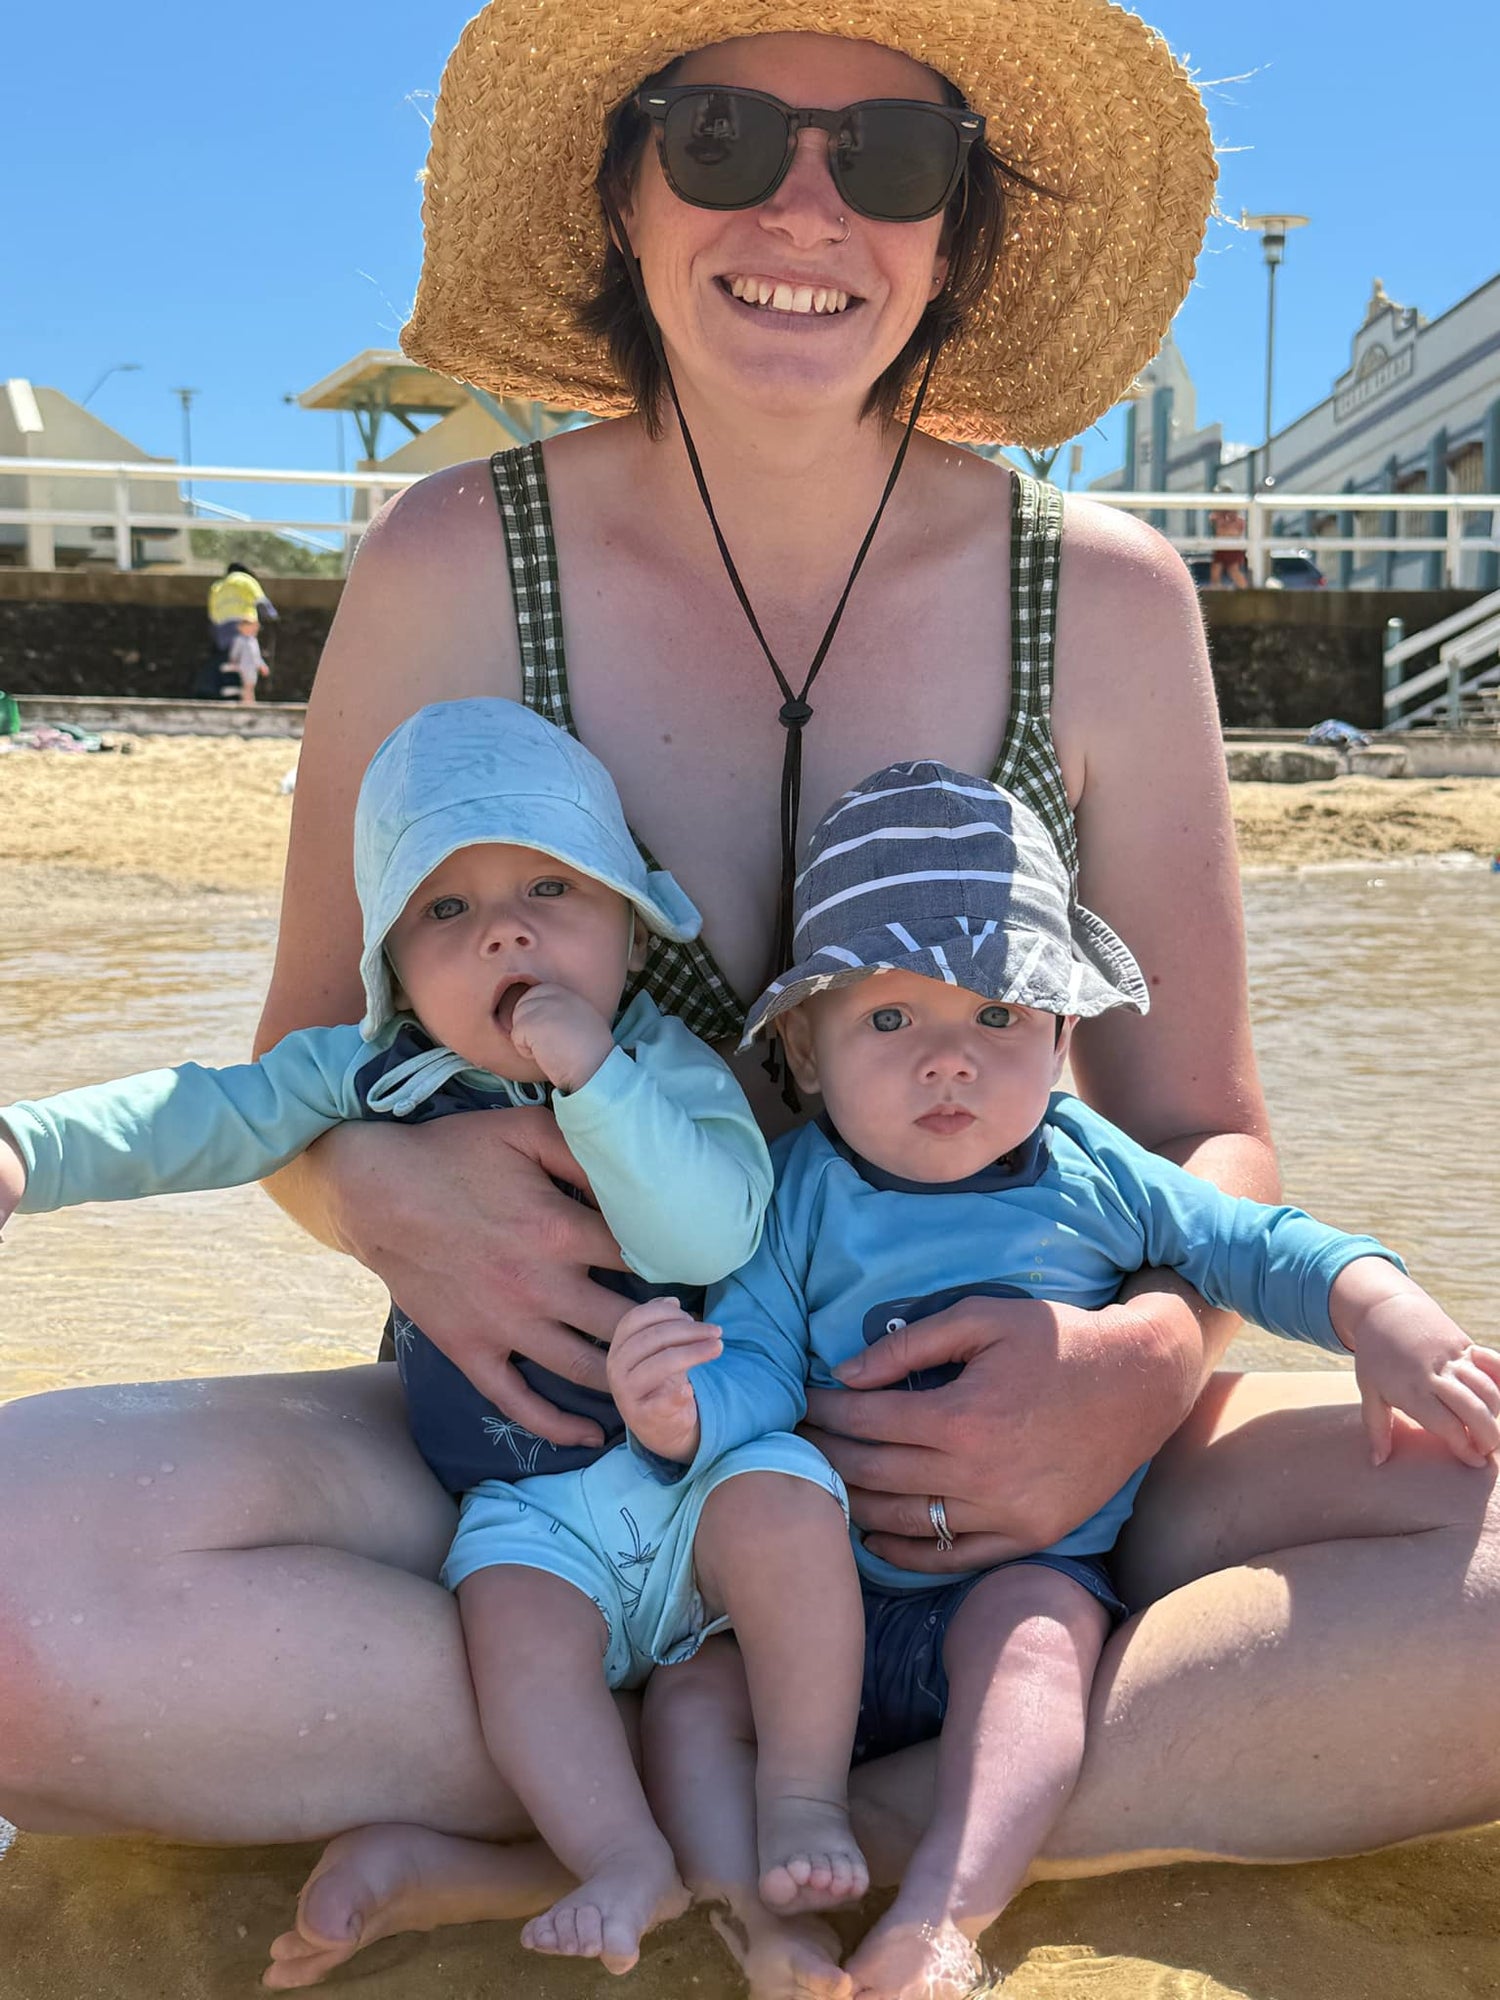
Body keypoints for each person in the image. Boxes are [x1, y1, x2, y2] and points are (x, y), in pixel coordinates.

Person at [3, 3, 1498, 1995]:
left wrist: (1137, 1361)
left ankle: (818, 1821)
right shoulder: (457, 561)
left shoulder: (1107, 595)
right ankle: (832, 1791)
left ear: (958, 227)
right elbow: (306, 1067)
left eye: (891, 155)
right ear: (619, 190)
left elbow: (1201, 1122)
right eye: (722, 136)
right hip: (554, 1468)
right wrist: (386, 1198)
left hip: (1013, 1478)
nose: (806, 205)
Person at [0, 694, 870, 1975]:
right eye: (445, 909)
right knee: (514, 1643)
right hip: (527, 1512)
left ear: (631, 931)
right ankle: (618, 1853)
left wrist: (596, 1079)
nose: (503, 929)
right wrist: (28, 1148)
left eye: (549, 889)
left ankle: (802, 1798)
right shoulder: (357, 1075)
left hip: (705, 1463)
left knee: (792, 1511)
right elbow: (199, 1114)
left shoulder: (666, 1065)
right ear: (392, 968)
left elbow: (706, 1229)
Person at [637, 761, 1500, 1999]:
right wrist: (684, 1410)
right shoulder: (800, 1193)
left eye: (998, 1015)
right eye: (892, 1019)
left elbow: (1256, 1244)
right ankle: (761, 1917)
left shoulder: (1091, 1163)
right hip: (823, 1597)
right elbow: (760, 1362)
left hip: (1016, 1575)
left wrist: (1383, 1314)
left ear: (1060, 1033)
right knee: (690, 1704)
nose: (950, 1060)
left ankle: (944, 1910)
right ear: (806, 1050)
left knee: (1038, 1655)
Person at [1207, 485, 1251, 589]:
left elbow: (1235, 530)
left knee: (1233, 570)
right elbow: (1218, 529)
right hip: (1221, 546)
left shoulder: (1234, 513)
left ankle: (1246, 589)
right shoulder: (1217, 514)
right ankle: (1215, 590)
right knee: (1216, 568)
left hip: (1232, 546)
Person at [227, 616, 270, 704]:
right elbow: (234, 653)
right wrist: (233, 661)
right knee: (247, 685)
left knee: (251, 686)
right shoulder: (239, 640)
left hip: (253, 668)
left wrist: (262, 665)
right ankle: (246, 702)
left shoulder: (253, 641)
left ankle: (250, 702)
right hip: (244, 667)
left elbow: (257, 656)